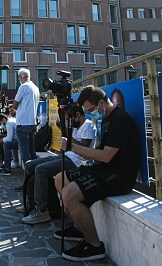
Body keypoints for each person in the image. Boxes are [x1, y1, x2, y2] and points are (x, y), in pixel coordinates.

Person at [55, 85, 140, 262]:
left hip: (119, 176)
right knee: (60, 179)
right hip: (104, 169)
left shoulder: (120, 120)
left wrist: (71, 146)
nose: (89, 114)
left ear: (101, 103)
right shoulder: (106, 119)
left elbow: (106, 156)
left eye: (90, 110)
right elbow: (101, 153)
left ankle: (94, 245)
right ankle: (80, 228)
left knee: (69, 194)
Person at [20, 103, 96, 225]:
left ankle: (42, 210)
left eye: (69, 119)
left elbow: (84, 150)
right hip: (66, 156)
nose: (69, 122)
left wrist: (67, 134)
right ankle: (31, 204)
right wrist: (65, 131)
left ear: (77, 115)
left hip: (76, 162)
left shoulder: (88, 125)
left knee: (41, 170)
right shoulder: (76, 126)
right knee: (30, 165)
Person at [11, 68, 40, 168]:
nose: (19, 79)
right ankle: (36, 171)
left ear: (21, 77)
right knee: (32, 150)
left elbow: (15, 103)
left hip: (23, 122)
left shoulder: (23, 87)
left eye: (19, 77)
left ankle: (30, 173)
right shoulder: (35, 87)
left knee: (24, 152)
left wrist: (12, 108)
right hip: (32, 122)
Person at [0, 108, 20, 174]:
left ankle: (7, 168)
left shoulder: (8, 123)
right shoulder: (11, 119)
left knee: (6, 144)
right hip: (19, 139)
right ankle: (9, 162)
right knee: (7, 142)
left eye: (0, 123)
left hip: (20, 141)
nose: (1, 125)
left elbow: (9, 138)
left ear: (3, 119)